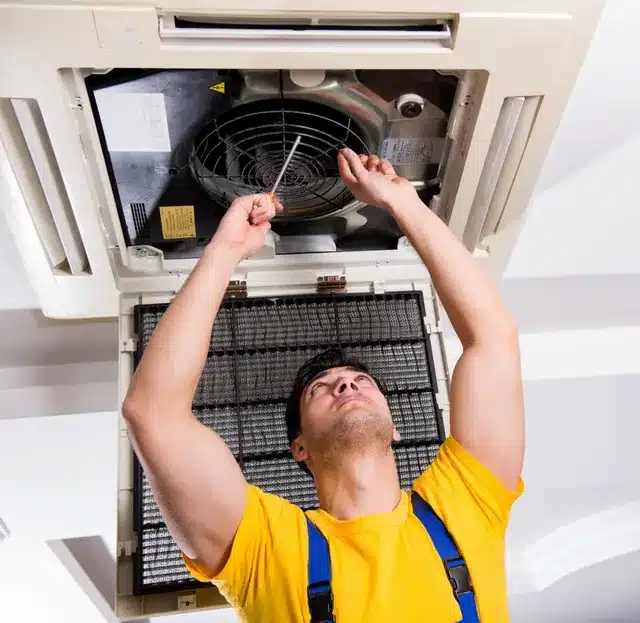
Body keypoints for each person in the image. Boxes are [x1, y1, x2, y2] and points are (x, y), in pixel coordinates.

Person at [123, 147, 525, 622]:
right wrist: (226, 248)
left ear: (397, 427)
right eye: (321, 388)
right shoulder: (265, 549)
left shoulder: (465, 504)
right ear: (299, 448)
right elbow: (154, 414)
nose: (346, 386)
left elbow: (494, 339)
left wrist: (405, 204)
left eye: (360, 380)